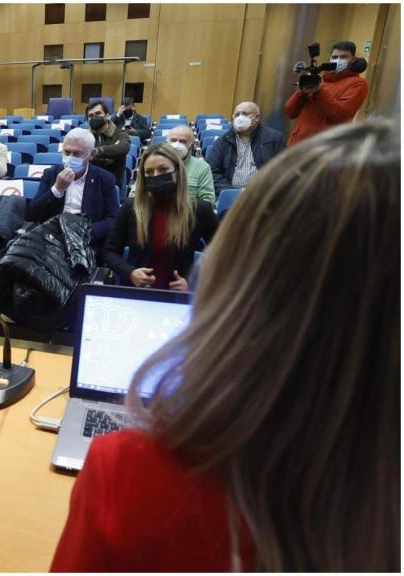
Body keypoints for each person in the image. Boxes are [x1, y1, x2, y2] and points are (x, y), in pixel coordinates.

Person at [52, 119, 399, 572]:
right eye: (149, 171)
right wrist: (127, 271)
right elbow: (113, 249)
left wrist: (183, 278)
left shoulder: (127, 472)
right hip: (137, 296)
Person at [104, 142, 217, 291]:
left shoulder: (200, 210)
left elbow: (223, 256)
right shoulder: (131, 207)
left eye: (163, 169)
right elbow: (109, 251)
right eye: (149, 172)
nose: (156, 176)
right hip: (137, 294)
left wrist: (193, 283)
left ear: (177, 172)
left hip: (179, 298)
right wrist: (130, 272)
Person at [26, 128, 119, 256]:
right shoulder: (51, 174)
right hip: (51, 241)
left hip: (85, 243)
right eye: (66, 152)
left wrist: (82, 232)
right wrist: (57, 190)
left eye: (76, 154)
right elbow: (33, 214)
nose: (70, 158)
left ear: (91, 155)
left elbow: (112, 220)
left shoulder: (104, 179)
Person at [284, 41, 370, 146]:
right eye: (334, 57)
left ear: (353, 59)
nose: (338, 60)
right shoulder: (320, 81)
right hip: (297, 145)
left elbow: (341, 115)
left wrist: (319, 91)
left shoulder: (358, 83)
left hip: (323, 148)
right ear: (329, 59)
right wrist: (302, 92)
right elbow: (290, 112)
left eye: (343, 57)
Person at [205, 101, 285, 191]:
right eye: (237, 115)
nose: (240, 117)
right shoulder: (223, 140)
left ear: (257, 117)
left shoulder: (274, 138)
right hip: (231, 193)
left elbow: (282, 169)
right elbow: (212, 171)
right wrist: (229, 191)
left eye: (245, 114)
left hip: (261, 193)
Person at [130, 125, 215, 206]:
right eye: (173, 140)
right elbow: (134, 195)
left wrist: (178, 207)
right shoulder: (153, 164)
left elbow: (207, 200)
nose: (177, 144)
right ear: (167, 142)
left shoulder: (202, 167)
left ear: (191, 145)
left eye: (183, 141)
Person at [85, 101, 130, 188]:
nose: (94, 117)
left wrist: (96, 151)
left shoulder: (120, 134)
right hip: (90, 185)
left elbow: (123, 147)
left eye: (98, 113)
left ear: (107, 116)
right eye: (90, 115)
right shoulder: (85, 137)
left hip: (112, 185)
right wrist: (108, 155)